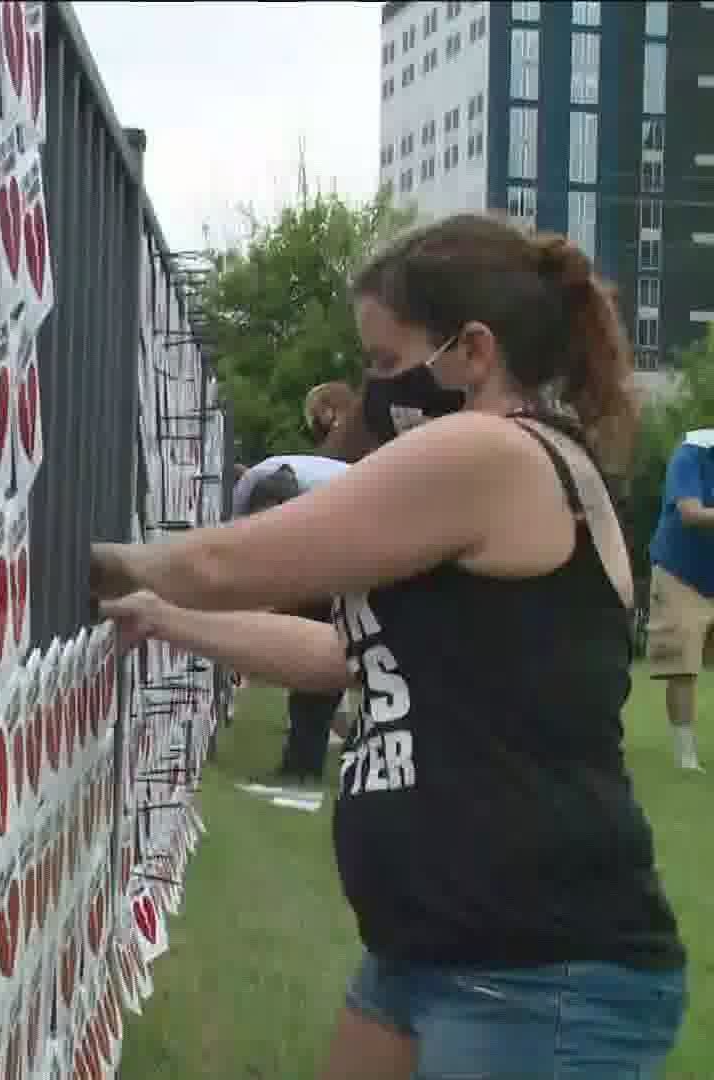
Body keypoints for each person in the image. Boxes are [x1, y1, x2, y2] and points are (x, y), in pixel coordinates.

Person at [91, 213, 685, 1077]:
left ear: (472, 351)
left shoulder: (490, 453)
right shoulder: (495, 475)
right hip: (427, 952)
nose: (374, 389)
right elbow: (346, 656)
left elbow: (226, 561)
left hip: (540, 970)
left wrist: (80, 561)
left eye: (384, 360)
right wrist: (162, 616)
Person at [232, 457, 350, 784]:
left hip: (358, 557)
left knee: (323, 666)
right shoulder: (245, 496)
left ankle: (304, 762)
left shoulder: (327, 514)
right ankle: (303, 760)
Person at [645, 427, 714, 771]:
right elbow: (690, 512)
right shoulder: (693, 451)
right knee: (682, 665)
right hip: (680, 570)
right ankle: (686, 757)